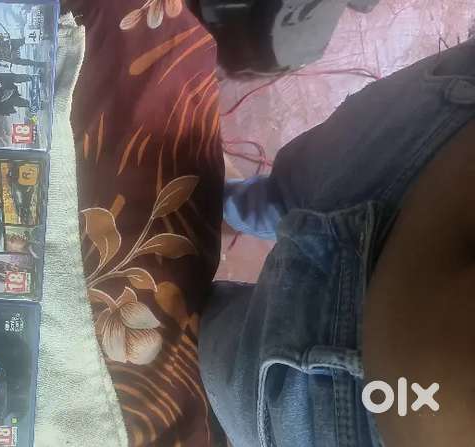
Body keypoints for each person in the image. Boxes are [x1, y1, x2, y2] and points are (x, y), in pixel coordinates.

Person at [199, 40, 475, 447]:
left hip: (349, 402)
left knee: (186, 338)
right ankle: (223, 208)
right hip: (444, 112)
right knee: (291, 188)